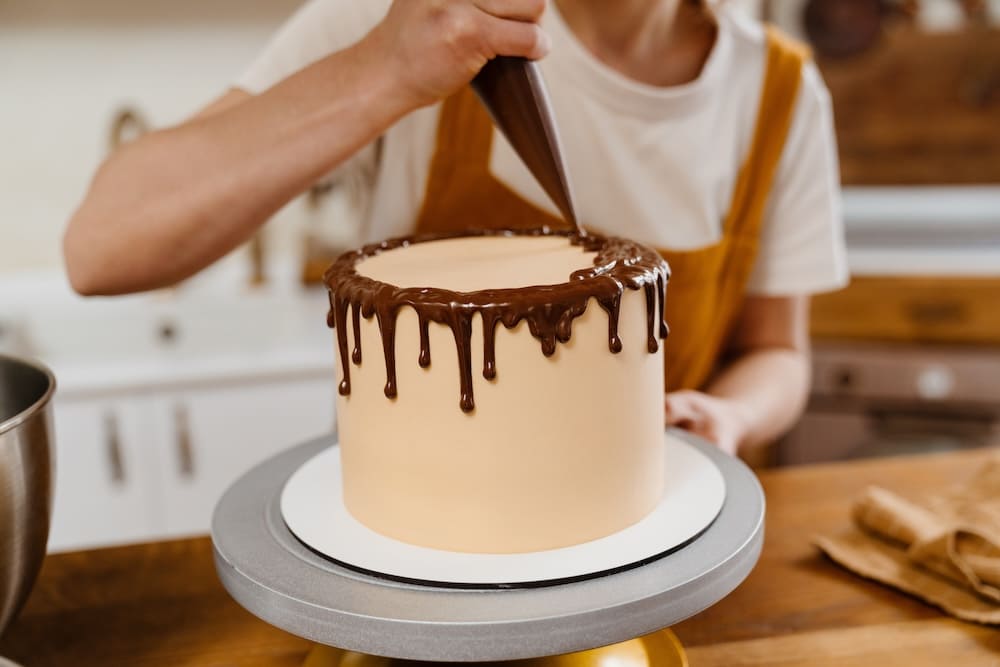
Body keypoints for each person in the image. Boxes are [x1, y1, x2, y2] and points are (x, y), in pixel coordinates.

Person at [63, 0, 847, 456]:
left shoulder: (777, 91)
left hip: (640, 565)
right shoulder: (414, 20)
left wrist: (733, 415)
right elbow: (102, 247)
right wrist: (385, 69)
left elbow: (775, 349)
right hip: (404, 578)